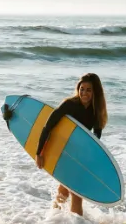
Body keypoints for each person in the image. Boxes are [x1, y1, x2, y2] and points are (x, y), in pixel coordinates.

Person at [42, 73, 107, 216]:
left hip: (80, 153)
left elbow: (95, 139)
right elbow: (48, 126)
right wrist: (39, 153)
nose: (84, 93)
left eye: (88, 90)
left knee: (65, 188)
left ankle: (54, 219)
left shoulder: (97, 111)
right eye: (81, 89)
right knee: (76, 193)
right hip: (63, 150)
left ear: (95, 92)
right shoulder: (69, 104)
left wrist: (91, 160)